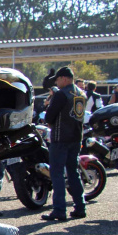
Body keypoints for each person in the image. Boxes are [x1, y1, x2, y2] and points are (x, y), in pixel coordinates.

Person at [42, 67, 86, 221]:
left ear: (65, 78)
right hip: (76, 137)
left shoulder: (61, 94)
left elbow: (49, 116)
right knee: (73, 172)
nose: (56, 81)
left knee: (57, 174)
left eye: (58, 78)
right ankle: (80, 207)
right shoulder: (81, 93)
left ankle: (59, 210)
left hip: (60, 138)